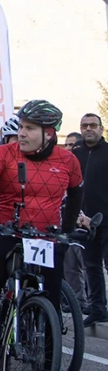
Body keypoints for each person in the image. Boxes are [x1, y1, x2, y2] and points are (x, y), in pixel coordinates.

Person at [0, 100, 84, 371]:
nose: (22, 133)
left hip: (47, 236)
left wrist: (68, 229)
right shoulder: (3, 154)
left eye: (29, 129)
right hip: (7, 228)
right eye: (20, 126)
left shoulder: (68, 160)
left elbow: (76, 194)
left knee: (52, 302)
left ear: (49, 133)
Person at [73, 113, 108, 326]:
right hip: (83, 222)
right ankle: (98, 308)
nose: (88, 129)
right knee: (91, 266)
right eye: (84, 125)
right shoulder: (75, 155)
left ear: (101, 129)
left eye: (93, 125)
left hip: (107, 220)